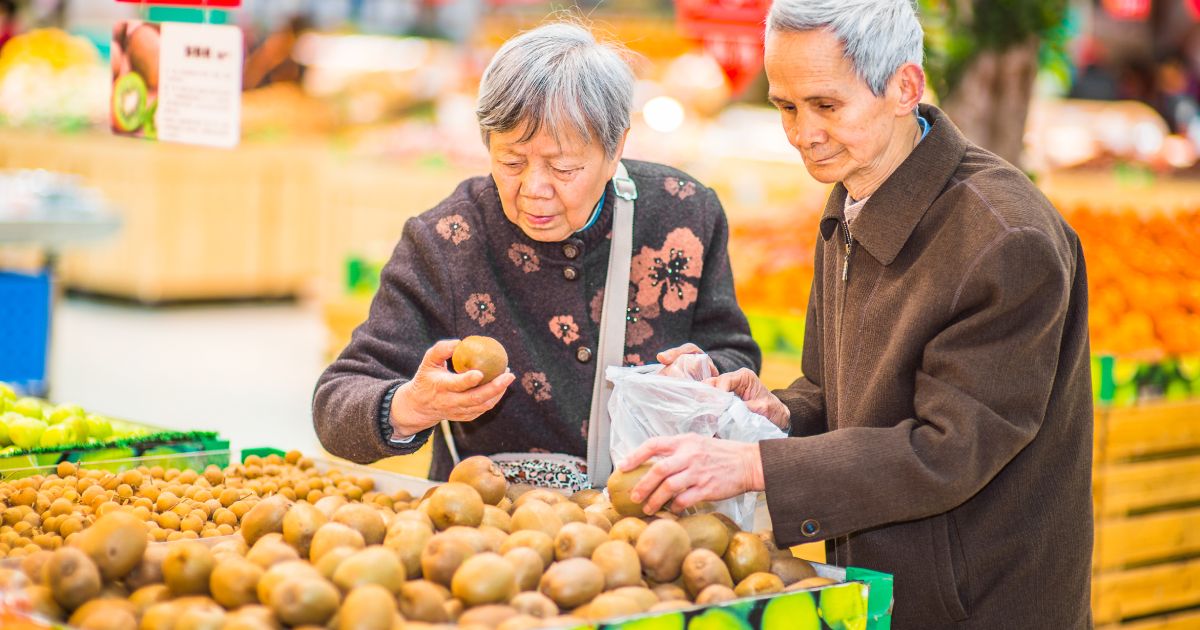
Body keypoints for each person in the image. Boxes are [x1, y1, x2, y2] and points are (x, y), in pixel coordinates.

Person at [620, 1, 1093, 628]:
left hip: (981, 606)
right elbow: (838, 393)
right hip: (884, 589)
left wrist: (752, 465)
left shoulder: (1006, 240)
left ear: (905, 87)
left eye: (826, 106)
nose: (802, 133)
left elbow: (948, 449)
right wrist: (778, 413)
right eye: (785, 106)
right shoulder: (856, 194)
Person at [312, 22, 760, 490]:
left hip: (653, 521)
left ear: (616, 149)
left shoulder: (683, 213)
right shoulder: (445, 241)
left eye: (564, 167)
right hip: (490, 533)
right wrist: (409, 407)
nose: (534, 190)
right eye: (511, 162)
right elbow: (335, 405)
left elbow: (736, 354)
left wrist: (704, 373)